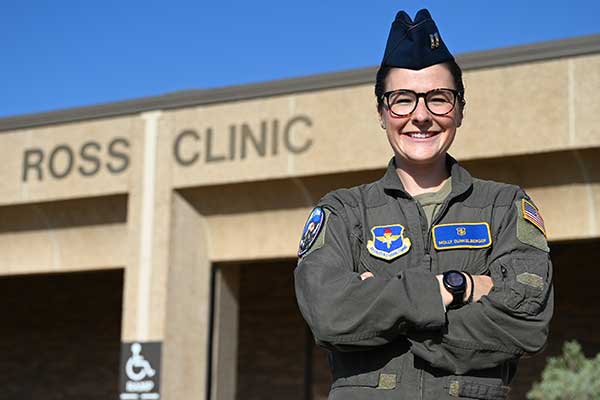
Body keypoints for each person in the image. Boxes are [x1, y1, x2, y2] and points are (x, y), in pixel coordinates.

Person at [294, 8, 553, 400]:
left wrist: (386, 311)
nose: (421, 116)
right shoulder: (344, 213)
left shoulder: (504, 207)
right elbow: (330, 317)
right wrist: (458, 288)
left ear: (460, 111)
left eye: (439, 99)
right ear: (382, 113)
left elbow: (527, 322)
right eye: (402, 100)